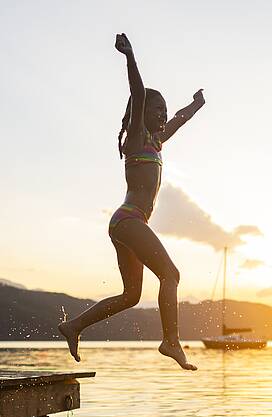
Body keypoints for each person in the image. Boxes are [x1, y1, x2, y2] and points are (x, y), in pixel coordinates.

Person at [59, 33, 205, 371]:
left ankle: (74, 325)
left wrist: (195, 106)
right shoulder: (137, 137)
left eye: (164, 111)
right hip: (129, 221)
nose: (163, 115)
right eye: (157, 110)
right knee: (171, 274)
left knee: (131, 296)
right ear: (141, 114)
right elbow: (138, 94)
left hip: (125, 225)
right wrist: (130, 57)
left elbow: (179, 121)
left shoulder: (156, 142)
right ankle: (171, 341)